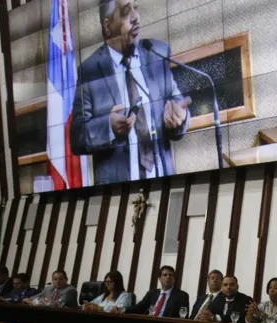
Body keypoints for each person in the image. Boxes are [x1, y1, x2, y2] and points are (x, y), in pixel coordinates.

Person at [70, 0, 191, 185]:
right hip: (119, 196)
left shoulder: (156, 53)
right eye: (126, 12)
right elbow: (77, 137)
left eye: (136, 8)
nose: (136, 18)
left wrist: (179, 119)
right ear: (108, 26)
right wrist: (108, 127)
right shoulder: (90, 70)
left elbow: (177, 104)